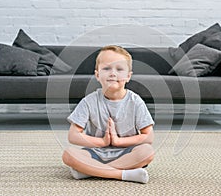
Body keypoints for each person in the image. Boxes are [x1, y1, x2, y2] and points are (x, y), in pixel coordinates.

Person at [62, 45, 155, 184]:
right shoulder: (89, 101)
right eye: (106, 68)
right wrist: (103, 142)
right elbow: (73, 136)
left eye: (119, 69)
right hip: (95, 153)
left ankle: (90, 171)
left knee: (147, 151)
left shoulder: (136, 102)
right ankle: (123, 174)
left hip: (127, 153)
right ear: (97, 75)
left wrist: (118, 141)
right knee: (68, 154)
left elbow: (148, 136)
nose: (113, 73)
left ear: (128, 76)